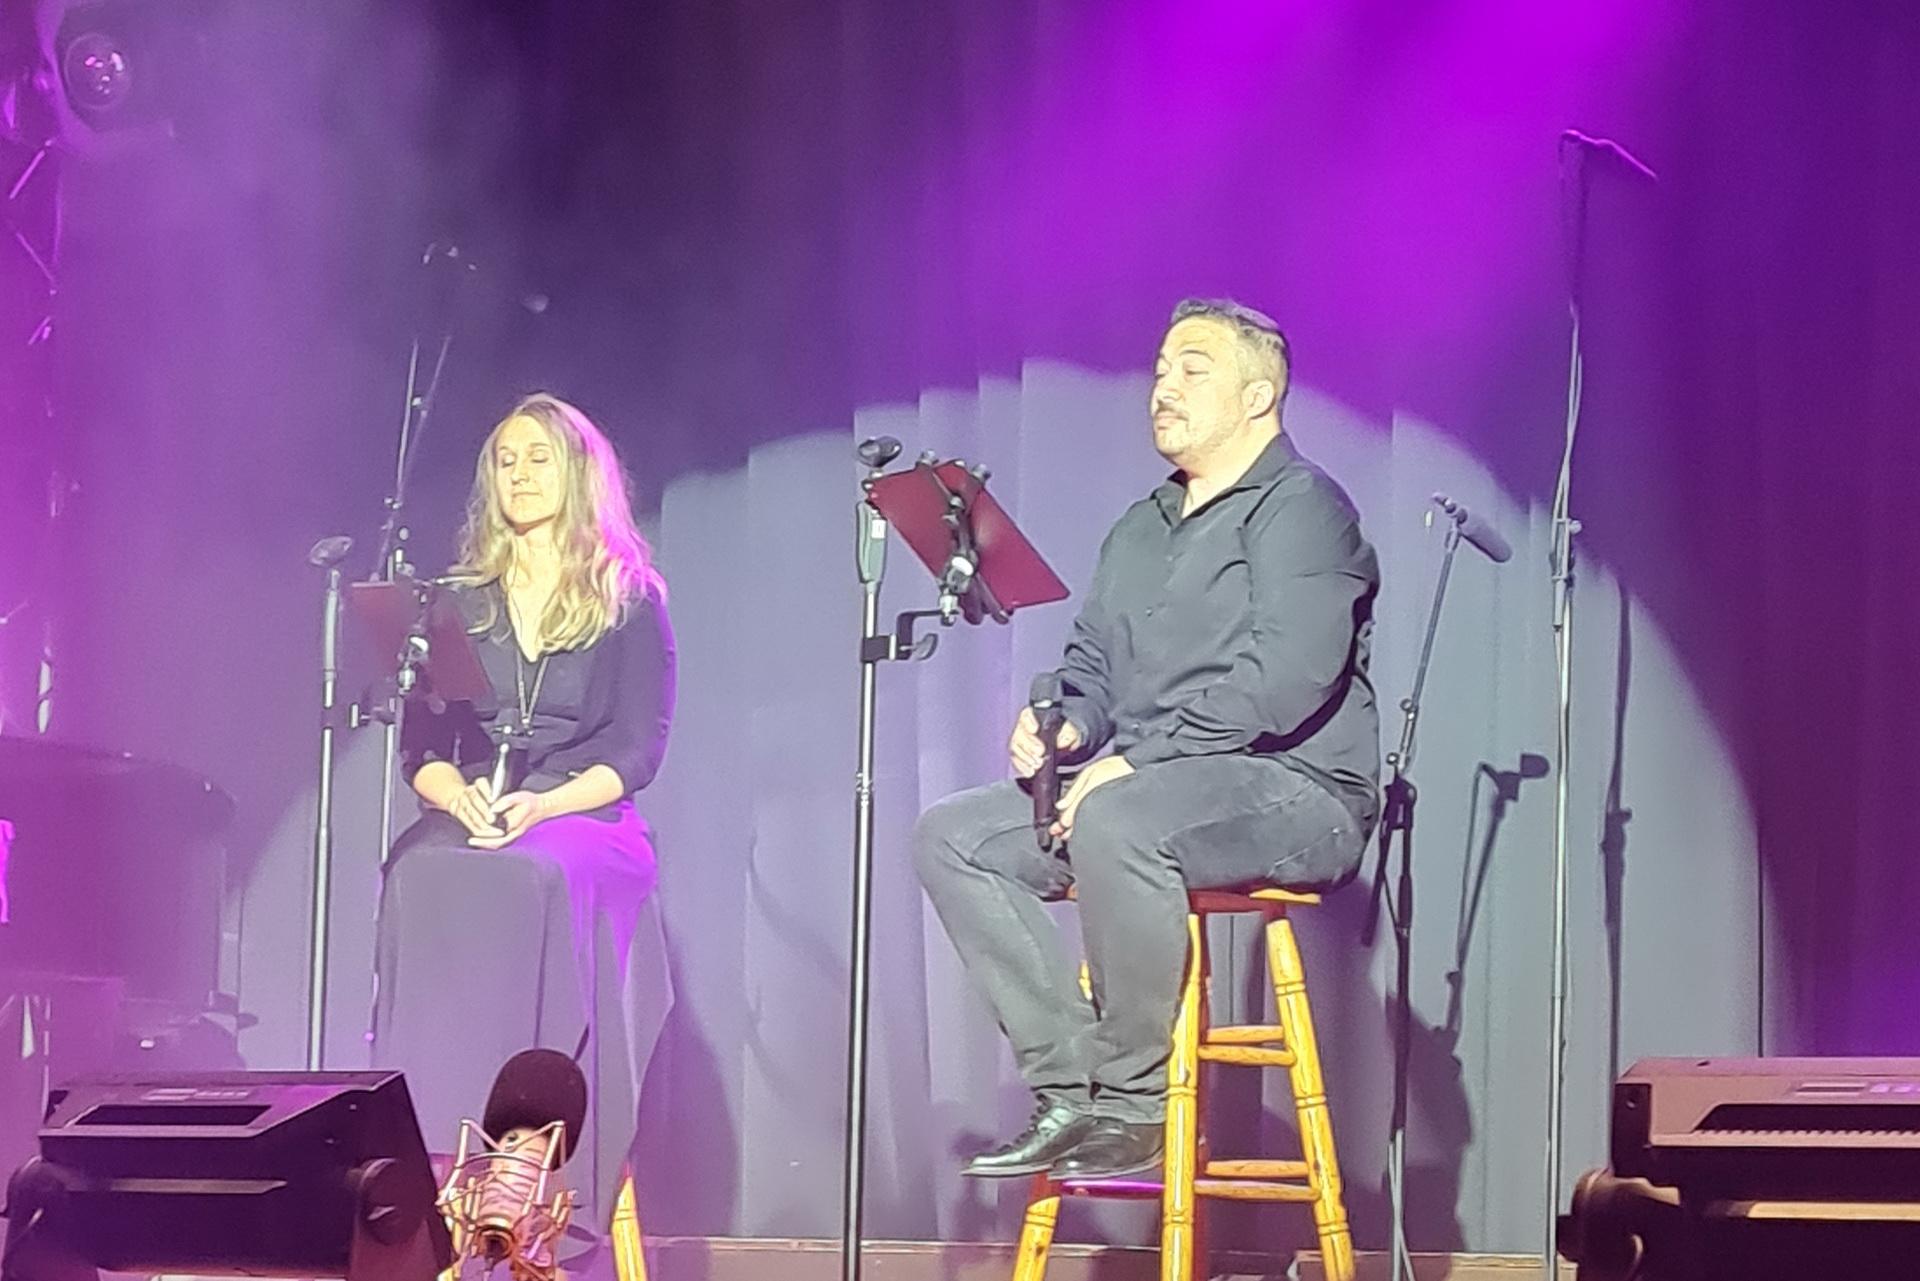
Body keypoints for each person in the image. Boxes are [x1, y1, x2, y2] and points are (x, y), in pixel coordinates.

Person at [913, 299, 1380, 1181]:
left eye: (1192, 369)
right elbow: (1092, 666)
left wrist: (1133, 760)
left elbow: (1286, 677)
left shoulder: (1305, 508)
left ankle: (1136, 1101)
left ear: (1258, 395)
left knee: (1121, 818)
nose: (1164, 386)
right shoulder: (1140, 527)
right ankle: (1071, 1088)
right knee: (954, 836)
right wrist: (1068, 725)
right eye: (1161, 369)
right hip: (1147, 790)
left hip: (1297, 790)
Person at [372, 391, 675, 1224]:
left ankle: (524, 1145)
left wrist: (540, 807)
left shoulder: (629, 597)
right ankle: (430, 1146)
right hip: (480, 811)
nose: (521, 473)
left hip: (586, 818)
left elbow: (635, 755)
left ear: (578, 474)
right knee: (420, 873)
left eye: (539, 457)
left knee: (532, 876)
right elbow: (421, 751)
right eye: (507, 459)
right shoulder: (458, 602)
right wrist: (460, 797)